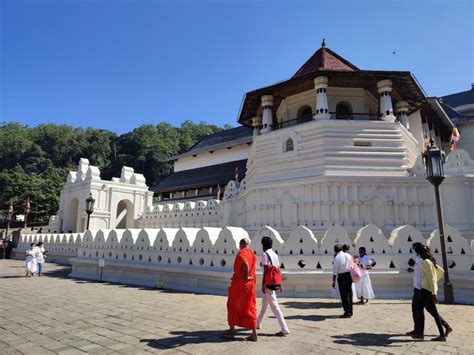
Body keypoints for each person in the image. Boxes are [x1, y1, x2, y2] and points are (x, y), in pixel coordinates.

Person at [410, 244, 452, 341]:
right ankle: (443, 331)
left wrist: (434, 293)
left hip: (425, 289)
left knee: (419, 309)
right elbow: (440, 271)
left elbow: (432, 278)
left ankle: (420, 333)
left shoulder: (425, 262)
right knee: (432, 311)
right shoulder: (430, 261)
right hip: (427, 289)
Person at [224, 238, 258, 341]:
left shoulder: (242, 253)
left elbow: (245, 264)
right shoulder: (252, 253)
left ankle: (232, 329)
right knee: (249, 307)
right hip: (249, 285)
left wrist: (246, 276)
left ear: (242, 244)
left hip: (240, 284)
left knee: (232, 304)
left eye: (240, 243)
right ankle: (254, 333)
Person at [257, 236, 289, 337]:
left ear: (263, 245)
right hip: (273, 281)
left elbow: (266, 270)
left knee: (274, 306)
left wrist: (263, 284)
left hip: (268, 283)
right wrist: (280, 284)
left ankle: (284, 329)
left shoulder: (264, 254)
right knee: (265, 304)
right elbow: (278, 270)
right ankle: (257, 323)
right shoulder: (275, 254)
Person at [332, 244, 353, 318]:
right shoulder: (348, 255)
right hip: (349, 275)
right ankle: (350, 311)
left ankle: (347, 312)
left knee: (344, 295)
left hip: (342, 276)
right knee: (349, 294)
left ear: (335, 250)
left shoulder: (337, 257)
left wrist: (333, 281)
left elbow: (335, 271)